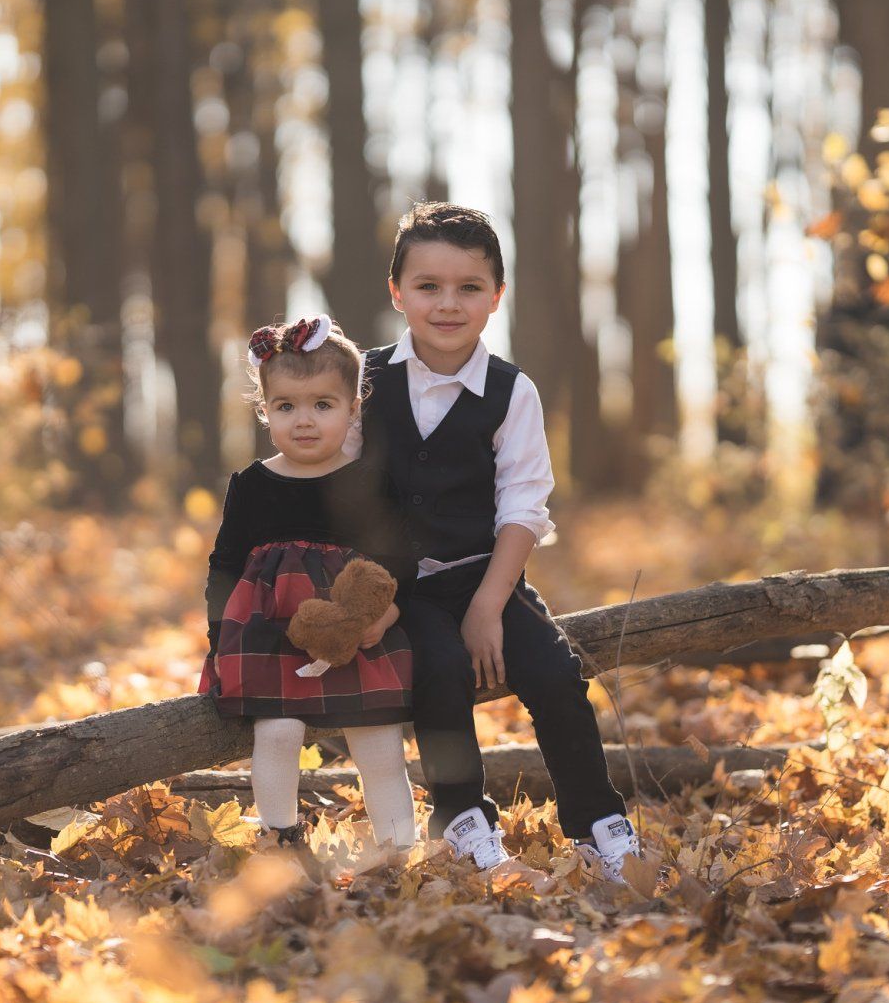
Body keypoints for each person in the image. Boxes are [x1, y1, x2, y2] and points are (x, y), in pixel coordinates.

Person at [347, 201, 644, 881]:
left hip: (489, 573)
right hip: (402, 589)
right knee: (441, 671)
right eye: (428, 286)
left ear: (496, 297)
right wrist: (369, 598)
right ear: (397, 292)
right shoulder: (362, 382)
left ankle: (599, 825)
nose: (448, 304)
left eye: (469, 288)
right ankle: (463, 822)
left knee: (554, 672)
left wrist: (488, 607)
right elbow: (339, 491)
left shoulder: (512, 392)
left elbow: (523, 505)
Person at [197, 316, 418, 850]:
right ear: (264, 410)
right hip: (271, 634)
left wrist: (384, 617)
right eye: (286, 406)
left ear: (352, 409)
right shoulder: (251, 485)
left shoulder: (368, 481)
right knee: (277, 734)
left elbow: (400, 562)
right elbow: (224, 566)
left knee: (380, 744)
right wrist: (218, 639)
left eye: (323, 405)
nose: (304, 420)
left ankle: (397, 849)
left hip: (357, 633)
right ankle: (281, 840)